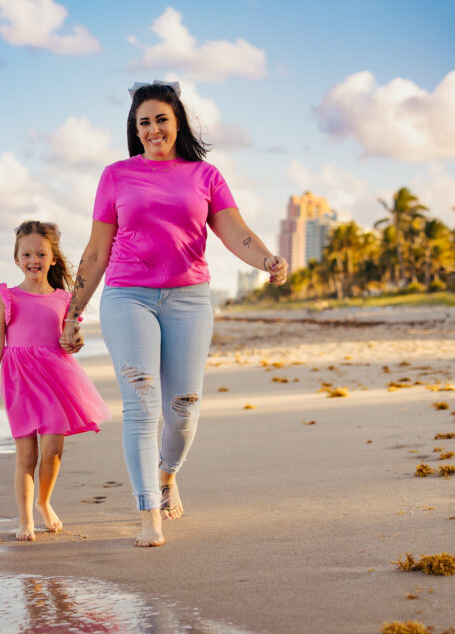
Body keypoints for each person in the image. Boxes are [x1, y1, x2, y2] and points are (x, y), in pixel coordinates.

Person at [60, 80, 288, 548]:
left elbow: (233, 230)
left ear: (177, 121)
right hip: (128, 296)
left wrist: (267, 259)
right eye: (143, 122)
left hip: (188, 299)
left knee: (183, 409)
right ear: (135, 129)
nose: (153, 129)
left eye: (161, 118)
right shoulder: (116, 175)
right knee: (142, 406)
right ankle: (148, 514)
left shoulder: (205, 176)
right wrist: (73, 313)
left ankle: (167, 476)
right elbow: (97, 250)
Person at [0, 220, 110, 541]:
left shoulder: (66, 300)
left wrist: (76, 340)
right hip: (19, 380)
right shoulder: (6, 297)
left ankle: (44, 501)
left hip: (56, 378)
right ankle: (25, 519)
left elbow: (73, 337)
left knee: (53, 449)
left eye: (41, 254)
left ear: (53, 258)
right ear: (16, 259)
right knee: (27, 454)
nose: (33, 260)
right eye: (26, 254)